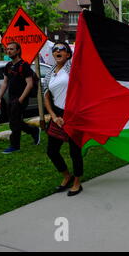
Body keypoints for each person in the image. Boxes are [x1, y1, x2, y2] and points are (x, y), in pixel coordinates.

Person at [43, 42, 84, 196]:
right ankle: (67, 176)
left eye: (62, 49)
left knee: (75, 151)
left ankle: (77, 182)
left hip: (74, 114)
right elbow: (46, 96)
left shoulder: (72, 68)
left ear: (68, 54)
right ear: (53, 54)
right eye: (55, 49)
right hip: (58, 115)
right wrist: (53, 116)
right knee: (52, 151)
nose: (58, 51)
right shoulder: (50, 73)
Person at [0, 42, 40, 154]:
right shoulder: (8, 66)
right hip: (11, 98)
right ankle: (34, 130)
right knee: (14, 121)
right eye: (7, 49)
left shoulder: (24, 65)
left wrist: (20, 100)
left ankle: (15, 146)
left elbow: (29, 84)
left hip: (21, 98)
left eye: (11, 49)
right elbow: (5, 83)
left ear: (18, 51)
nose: (9, 51)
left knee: (14, 123)